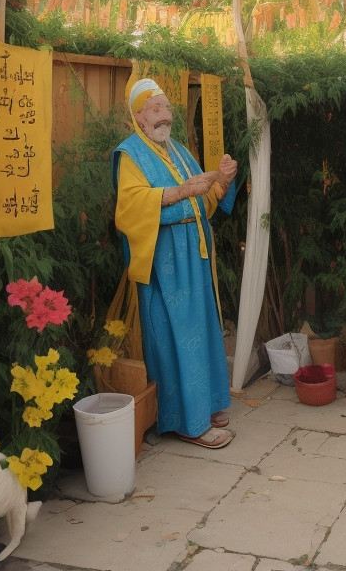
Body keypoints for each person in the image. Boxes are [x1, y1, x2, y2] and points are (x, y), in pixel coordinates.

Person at [111, 78, 239, 449]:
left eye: (167, 109)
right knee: (177, 336)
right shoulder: (130, 154)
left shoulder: (179, 150)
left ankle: (207, 405)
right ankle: (186, 421)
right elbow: (129, 208)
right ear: (138, 116)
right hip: (163, 258)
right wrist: (184, 190)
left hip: (194, 257)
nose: (165, 116)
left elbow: (207, 202)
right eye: (156, 109)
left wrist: (222, 181)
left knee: (201, 329)